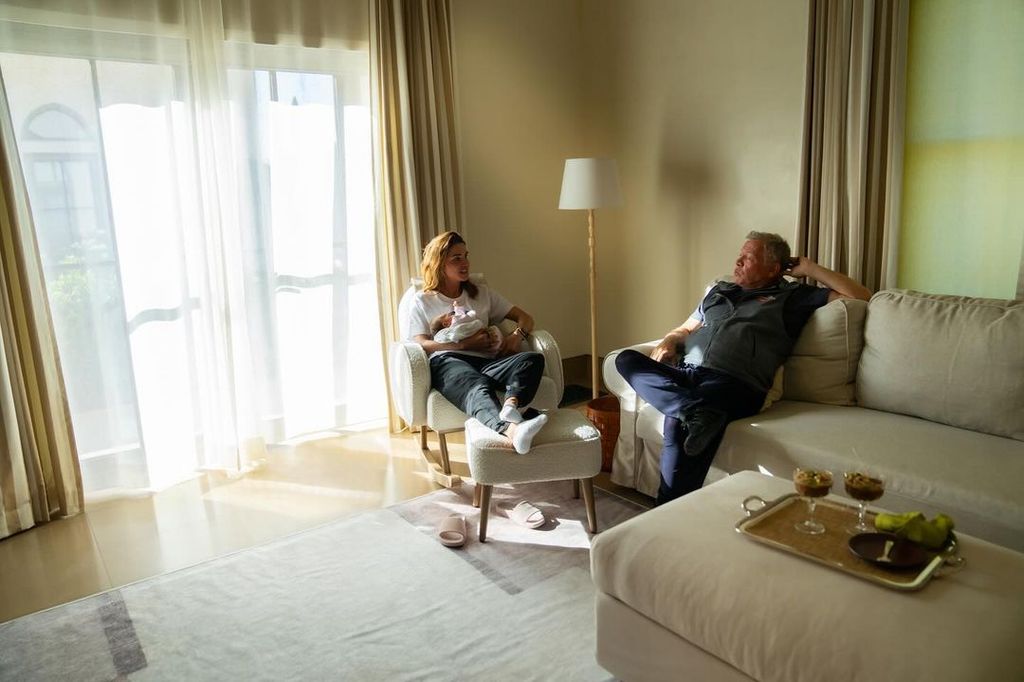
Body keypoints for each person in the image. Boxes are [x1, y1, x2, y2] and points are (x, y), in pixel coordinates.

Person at [615, 231, 871, 504]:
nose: (737, 262)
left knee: (680, 429)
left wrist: (810, 268)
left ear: (773, 268)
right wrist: (669, 340)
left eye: (747, 258)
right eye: (740, 256)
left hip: (735, 383)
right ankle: (692, 411)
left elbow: (861, 295)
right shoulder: (719, 291)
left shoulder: (793, 296)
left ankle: (665, 508)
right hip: (689, 374)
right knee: (626, 360)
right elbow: (686, 328)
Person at [405, 231, 549, 454]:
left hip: (488, 362)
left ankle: (511, 406)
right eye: (456, 258)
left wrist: (515, 336)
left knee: (532, 359)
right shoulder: (422, 300)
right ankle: (512, 431)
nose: (465, 263)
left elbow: (526, 318)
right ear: (438, 262)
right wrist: (463, 345)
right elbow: (422, 343)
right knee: (477, 386)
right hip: (449, 363)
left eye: (466, 256)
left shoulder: (482, 294)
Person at [430, 298, 504, 357]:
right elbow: (460, 319)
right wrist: (457, 308)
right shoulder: (452, 326)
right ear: (445, 324)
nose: (450, 314)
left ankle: (498, 347)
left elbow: (462, 317)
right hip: (456, 356)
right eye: (445, 316)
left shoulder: (483, 290)